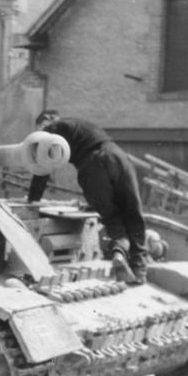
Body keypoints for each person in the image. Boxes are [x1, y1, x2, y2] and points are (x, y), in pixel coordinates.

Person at [28, 113, 147, 284]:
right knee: (133, 213)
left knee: (111, 217)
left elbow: (44, 165)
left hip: (93, 164)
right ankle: (139, 269)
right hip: (118, 156)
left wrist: (33, 199)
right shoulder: (79, 125)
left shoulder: (52, 128)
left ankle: (120, 249)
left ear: (47, 120)